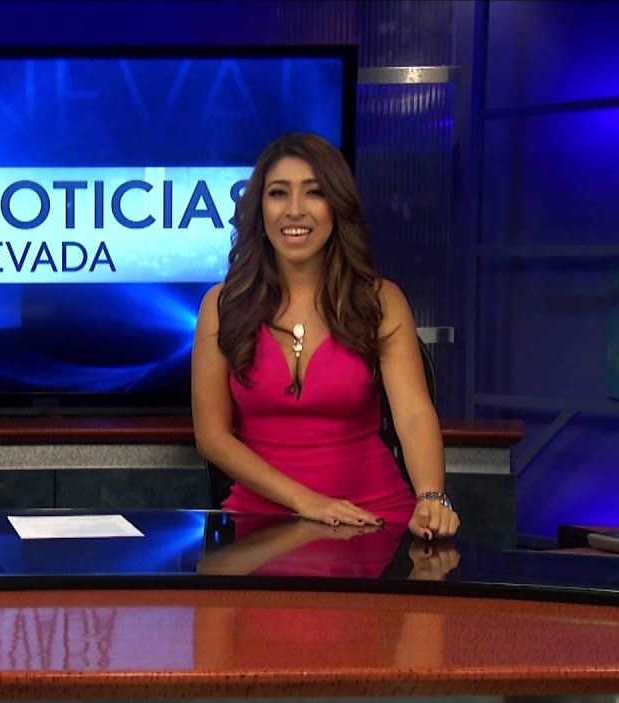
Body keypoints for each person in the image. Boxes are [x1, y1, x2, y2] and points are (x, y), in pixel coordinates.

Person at [192, 132, 459, 540]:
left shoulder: (380, 301)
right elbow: (211, 435)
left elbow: (414, 415)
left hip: (372, 518)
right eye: (279, 194)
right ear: (259, 209)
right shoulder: (222, 305)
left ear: (336, 206)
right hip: (259, 523)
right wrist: (307, 502)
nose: (294, 211)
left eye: (313, 193)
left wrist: (431, 497)